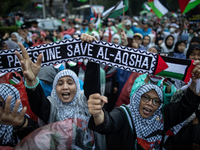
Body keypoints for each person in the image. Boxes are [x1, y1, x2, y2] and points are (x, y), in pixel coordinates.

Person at [14, 34, 106, 149]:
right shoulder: (51, 106)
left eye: (70, 83)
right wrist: (32, 81)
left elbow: (92, 88)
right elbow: (38, 104)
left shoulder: (85, 102)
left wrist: (92, 54)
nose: (65, 87)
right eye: (60, 83)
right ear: (54, 88)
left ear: (77, 87)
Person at [87, 61, 200, 149]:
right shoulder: (124, 113)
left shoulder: (161, 115)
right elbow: (109, 123)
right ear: (137, 98)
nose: (150, 103)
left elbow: (184, 109)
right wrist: (98, 114)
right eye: (146, 97)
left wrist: (195, 85)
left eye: (156, 101)